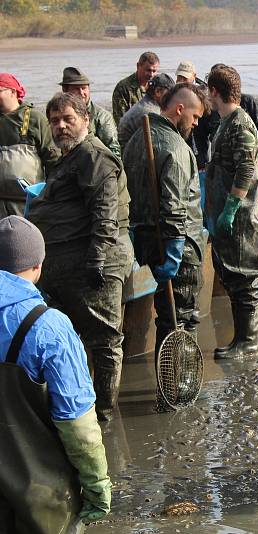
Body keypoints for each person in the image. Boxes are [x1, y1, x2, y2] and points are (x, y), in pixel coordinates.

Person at [0, 215, 112, 531]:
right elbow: (78, 427)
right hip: (42, 498)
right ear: (38, 266)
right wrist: (96, 488)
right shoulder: (50, 327)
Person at [27, 92, 133, 421]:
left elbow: (106, 214)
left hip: (92, 266)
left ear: (85, 120)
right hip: (65, 269)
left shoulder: (94, 156)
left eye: (68, 119)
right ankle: (81, 407)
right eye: (54, 120)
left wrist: (96, 261)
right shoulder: (70, 158)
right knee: (74, 339)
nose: (60, 126)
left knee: (103, 341)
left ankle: (103, 413)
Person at [123, 84, 208, 368]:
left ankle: (167, 382)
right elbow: (173, 204)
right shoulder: (175, 146)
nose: (196, 124)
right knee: (181, 319)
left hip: (148, 243)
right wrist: (174, 249)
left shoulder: (136, 140)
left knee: (167, 316)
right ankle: (178, 385)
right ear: (179, 109)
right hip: (179, 247)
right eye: (195, 117)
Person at [205, 65, 258, 360]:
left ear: (213, 91)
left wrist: (230, 208)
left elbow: (246, 168)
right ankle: (240, 339)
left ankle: (249, 341)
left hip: (244, 218)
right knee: (233, 277)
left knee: (245, 280)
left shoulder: (240, 124)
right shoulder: (225, 121)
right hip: (230, 216)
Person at [0, 73, 59, 217]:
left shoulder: (34, 118)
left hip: (27, 202)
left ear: (13, 92)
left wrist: (52, 196)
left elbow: (53, 159)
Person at [58, 66, 120, 157]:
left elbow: (114, 152)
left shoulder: (102, 117)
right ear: (65, 91)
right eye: (76, 89)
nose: (81, 93)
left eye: (84, 88)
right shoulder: (58, 116)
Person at [117, 73, 175, 153]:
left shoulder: (145, 103)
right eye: (170, 94)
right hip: (130, 157)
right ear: (158, 91)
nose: (172, 98)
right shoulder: (151, 112)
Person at [112, 51, 160, 124]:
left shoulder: (158, 87)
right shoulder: (123, 88)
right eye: (148, 70)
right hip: (132, 132)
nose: (151, 74)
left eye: (154, 71)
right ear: (138, 66)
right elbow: (120, 121)